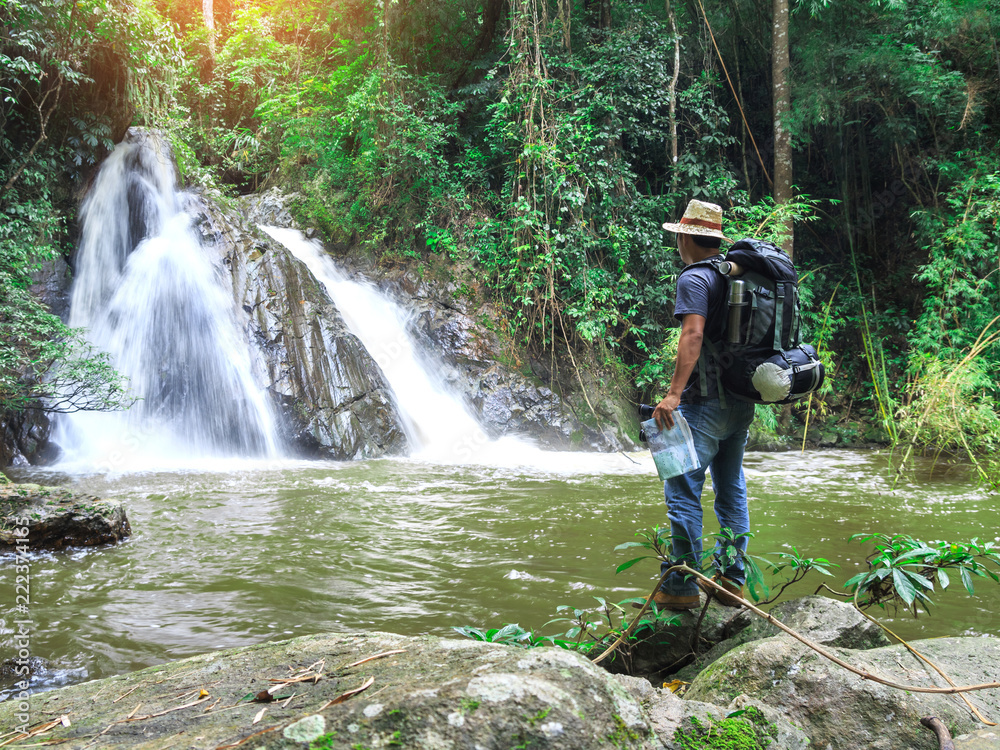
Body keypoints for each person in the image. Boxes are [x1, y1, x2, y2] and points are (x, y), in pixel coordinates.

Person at [651, 199, 755, 611]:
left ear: (684, 236)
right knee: (731, 491)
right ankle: (731, 581)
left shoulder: (694, 279)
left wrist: (674, 393)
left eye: (678, 234)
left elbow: (692, 335)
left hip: (701, 404)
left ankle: (681, 589)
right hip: (740, 403)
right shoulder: (736, 275)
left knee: (681, 490)